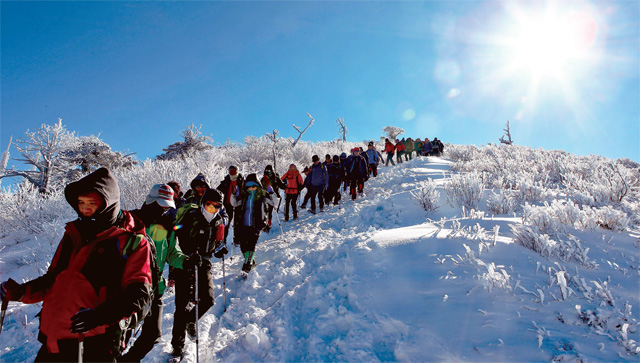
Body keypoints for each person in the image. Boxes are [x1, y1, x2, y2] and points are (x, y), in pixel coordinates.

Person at [0, 168, 152, 362]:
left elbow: (138, 294)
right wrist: (21, 292)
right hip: (53, 338)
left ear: (108, 203)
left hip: (93, 343)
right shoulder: (73, 234)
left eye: (92, 203)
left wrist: (99, 316)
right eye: (81, 203)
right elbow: (53, 280)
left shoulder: (131, 242)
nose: (85, 208)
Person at [121, 184, 200, 362]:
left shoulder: (167, 225)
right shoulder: (132, 221)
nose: (163, 210)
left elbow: (172, 252)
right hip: (130, 289)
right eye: (160, 205)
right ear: (150, 201)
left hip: (155, 289)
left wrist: (186, 261)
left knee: (152, 335)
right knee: (120, 338)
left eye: (167, 207)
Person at [171, 188, 228, 359]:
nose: (212, 208)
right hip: (185, 262)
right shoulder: (191, 216)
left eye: (216, 206)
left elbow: (217, 242)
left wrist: (219, 249)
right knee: (181, 305)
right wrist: (188, 253)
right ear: (203, 202)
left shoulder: (218, 221)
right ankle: (177, 347)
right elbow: (176, 232)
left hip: (205, 262)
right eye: (209, 204)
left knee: (208, 299)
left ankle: (190, 320)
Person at [231, 173, 275, 275]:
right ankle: (252, 262)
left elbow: (274, 203)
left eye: (254, 186)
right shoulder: (244, 196)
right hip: (244, 225)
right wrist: (234, 194)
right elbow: (234, 203)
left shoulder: (262, 195)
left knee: (251, 245)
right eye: (249, 187)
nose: (251, 188)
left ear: (258, 186)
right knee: (243, 247)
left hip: (257, 224)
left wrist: (271, 193)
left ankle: (247, 266)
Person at [217, 166, 245, 242]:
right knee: (226, 222)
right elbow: (218, 191)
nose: (232, 173)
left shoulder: (242, 181)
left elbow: (246, 191)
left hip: (238, 204)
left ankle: (237, 239)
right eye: (231, 171)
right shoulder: (226, 181)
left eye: (234, 171)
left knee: (238, 222)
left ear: (237, 171)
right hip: (227, 204)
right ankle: (223, 240)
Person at [260, 165, 286, 231]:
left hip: (273, 197)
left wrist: (287, 186)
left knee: (270, 210)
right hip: (266, 196)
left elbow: (281, 185)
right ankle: (266, 224)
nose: (268, 173)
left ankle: (269, 223)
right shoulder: (263, 179)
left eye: (269, 171)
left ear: (272, 171)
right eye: (267, 171)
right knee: (266, 210)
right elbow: (260, 187)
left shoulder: (276, 178)